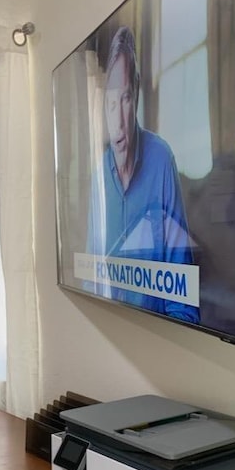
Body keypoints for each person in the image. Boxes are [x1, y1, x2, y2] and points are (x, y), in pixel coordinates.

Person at [86, 25, 199, 324]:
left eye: (125, 99)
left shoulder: (161, 157)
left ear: (135, 94)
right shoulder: (98, 172)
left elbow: (182, 289)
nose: (119, 122)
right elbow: (89, 278)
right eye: (111, 103)